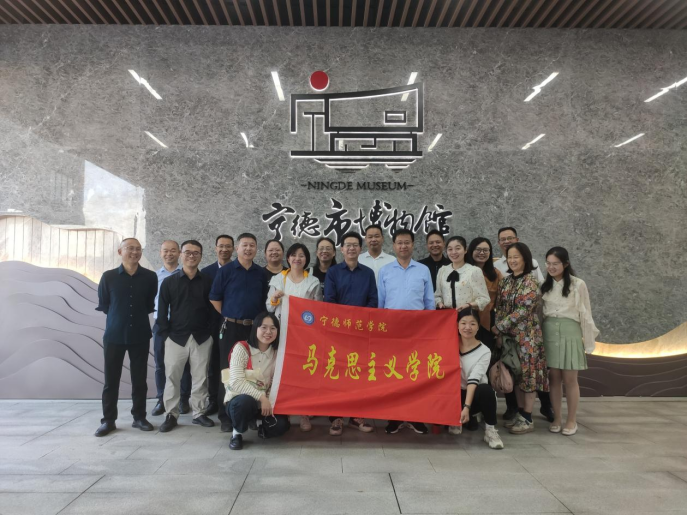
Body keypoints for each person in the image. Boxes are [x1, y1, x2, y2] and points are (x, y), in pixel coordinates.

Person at [94, 238, 157, 437]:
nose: (134, 252)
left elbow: (149, 305)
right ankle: (108, 420)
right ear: (120, 251)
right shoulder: (108, 277)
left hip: (140, 334)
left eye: (138, 249)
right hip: (114, 335)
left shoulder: (150, 277)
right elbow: (105, 305)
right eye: (130, 248)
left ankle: (139, 417)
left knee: (139, 380)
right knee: (111, 381)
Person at [210, 233, 269, 433]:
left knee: (252, 370)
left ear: (256, 249)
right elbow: (215, 298)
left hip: (253, 329)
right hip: (231, 327)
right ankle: (225, 416)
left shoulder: (260, 273)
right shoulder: (226, 271)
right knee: (227, 371)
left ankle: (248, 414)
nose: (248, 248)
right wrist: (229, 315)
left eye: (252, 245)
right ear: (237, 248)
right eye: (244, 245)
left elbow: (263, 301)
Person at [377, 229, 434, 435]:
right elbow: (381, 303)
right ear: (393, 246)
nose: (403, 246)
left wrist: (429, 329)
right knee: (393, 374)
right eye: (399, 243)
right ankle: (394, 417)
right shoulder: (384, 271)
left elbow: (429, 302)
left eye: (407, 242)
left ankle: (416, 417)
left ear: (413, 245)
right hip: (392, 332)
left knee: (415, 373)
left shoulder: (423, 270)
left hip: (417, 331)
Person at [494, 227, 552, 422]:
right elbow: (500, 308)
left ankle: (527, 417)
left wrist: (499, 327)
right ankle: (519, 413)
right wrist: (500, 333)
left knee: (528, 377)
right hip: (510, 339)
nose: (512, 260)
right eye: (510, 257)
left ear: (525, 259)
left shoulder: (531, 282)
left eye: (516, 257)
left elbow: (523, 310)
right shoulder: (505, 282)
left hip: (528, 338)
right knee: (516, 376)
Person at [157, 240, 216, 432]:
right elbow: (162, 311)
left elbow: (213, 309)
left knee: (200, 378)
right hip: (175, 338)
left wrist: (209, 333)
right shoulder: (169, 282)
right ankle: (171, 414)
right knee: (172, 378)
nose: (191, 256)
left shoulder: (207, 281)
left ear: (201, 256)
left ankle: (199, 413)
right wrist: (166, 335)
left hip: (201, 337)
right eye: (188, 252)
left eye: (196, 253)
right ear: (181, 255)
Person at [323, 231, 377, 436]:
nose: (352, 248)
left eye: (355, 245)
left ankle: (356, 416)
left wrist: (359, 321)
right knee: (337, 374)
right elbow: (329, 300)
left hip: (361, 332)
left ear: (360, 249)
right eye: (348, 245)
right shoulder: (333, 272)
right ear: (342, 249)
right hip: (339, 332)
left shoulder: (368, 273)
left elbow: (373, 300)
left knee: (359, 374)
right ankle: (336, 417)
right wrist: (345, 322)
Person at [541, 247, 599, 436]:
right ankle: (557, 418)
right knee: (553, 378)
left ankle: (571, 420)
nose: (551, 267)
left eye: (555, 263)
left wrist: (588, 341)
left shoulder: (577, 284)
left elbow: (586, 313)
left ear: (565, 264)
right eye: (548, 263)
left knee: (570, 379)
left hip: (570, 331)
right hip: (549, 331)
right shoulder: (544, 285)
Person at [267, 243, 322, 432]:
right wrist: (275, 298)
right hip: (282, 333)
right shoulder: (278, 279)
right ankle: (285, 413)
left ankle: (304, 413)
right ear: (288, 258)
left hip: (304, 336)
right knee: (283, 373)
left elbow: (318, 309)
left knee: (303, 374)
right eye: (293, 255)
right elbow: (269, 307)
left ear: (307, 259)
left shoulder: (312, 281)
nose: (297, 259)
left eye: (301, 255)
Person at [225, 312, 290, 450]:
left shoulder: (277, 353)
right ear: (255, 328)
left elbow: (275, 382)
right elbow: (236, 382)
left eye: (273, 328)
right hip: (240, 400)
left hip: (265, 403)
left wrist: (268, 401)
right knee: (243, 403)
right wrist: (261, 398)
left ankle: (263, 427)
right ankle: (237, 433)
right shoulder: (241, 348)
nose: (268, 332)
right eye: (264, 327)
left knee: (281, 425)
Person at [452, 307, 504, 449]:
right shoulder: (450, 344)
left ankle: (490, 430)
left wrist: (466, 407)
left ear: (478, 327)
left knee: (486, 390)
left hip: (473, 395)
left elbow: (473, 380)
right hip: (453, 395)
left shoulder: (484, 351)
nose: (467, 327)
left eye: (472, 324)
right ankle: (454, 419)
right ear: (457, 325)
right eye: (463, 323)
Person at [151, 240, 191, 418]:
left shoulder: (186, 275)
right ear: (160, 253)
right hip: (161, 325)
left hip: (181, 325)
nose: (169, 254)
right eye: (165, 251)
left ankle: (183, 399)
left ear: (180, 253)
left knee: (185, 364)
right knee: (160, 364)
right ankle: (161, 399)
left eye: (173, 250)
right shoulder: (154, 277)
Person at [200, 235, 235, 416]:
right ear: (215, 248)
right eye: (221, 246)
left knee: (233, 363)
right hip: (213, 325)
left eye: (228, 246)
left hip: (233, 325)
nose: (224, 249)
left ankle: (233, 399)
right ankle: (214, 399)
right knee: (214, 364)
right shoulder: (206, 272)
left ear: (233, 249)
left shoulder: (238, 269)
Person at [434, 236, 490, 314]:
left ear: (465, 250)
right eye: (450, 249)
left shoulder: (474, 271)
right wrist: (439, 303)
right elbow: (437, 295)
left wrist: (468, 305)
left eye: (457, 248)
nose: (454, 252)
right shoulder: (442, 270)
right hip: (447, 316)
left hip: (467, 316)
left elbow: (484, 298)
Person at [465, 237, 503, 349]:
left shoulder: (495, 274)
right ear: (471, 251)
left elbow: (502, 299)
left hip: (488, 320)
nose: (482, 253)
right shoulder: (463, 271)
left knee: (485, 351)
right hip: (466, 318)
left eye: (485, 250)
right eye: (478, 249)